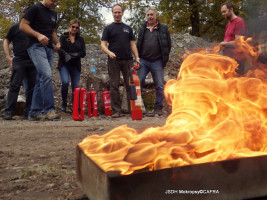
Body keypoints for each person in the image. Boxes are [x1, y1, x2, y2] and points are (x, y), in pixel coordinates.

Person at [19, 0, 61, 121]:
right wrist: (38, 35)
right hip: (35, 46)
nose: (56, 3)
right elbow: (23, 25)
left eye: (57, 1)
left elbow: (52, 31)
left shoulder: (54, 13)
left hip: (49, 49)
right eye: (54, 0)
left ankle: (34, 112)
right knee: (47, 75)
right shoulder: (35, 8)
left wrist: (57, 42)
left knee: (40, 79)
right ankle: (49, 110)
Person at [101, 4, 140, 118]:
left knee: (130, 85)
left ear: (122, 13)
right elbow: (103, 44)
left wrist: (137, 58)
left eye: (119, 12)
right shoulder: (108, 28)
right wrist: (109, 52)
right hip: (114, 61)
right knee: (114, 85)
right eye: (115, 12)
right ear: (112, 13)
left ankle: (132, 109)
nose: (117, 14)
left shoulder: (128, 28)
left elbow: (132, 44)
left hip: (128, 60)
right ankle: (116, 111)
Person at [136, 7, 171, 117]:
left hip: (157, 61)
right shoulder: (142, 28)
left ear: (156, 15)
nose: (150, 16)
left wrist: (163, 58)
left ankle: (158, 108)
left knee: (160, 85)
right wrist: (137, 59)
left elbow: (168, 44)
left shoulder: (163, 28)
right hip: (144, 60)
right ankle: (139, 108)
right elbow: (138, 44)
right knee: (139, 82)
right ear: (146, 16)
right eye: (148, 15)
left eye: (152, 14)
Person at [3, 7, 36, 120]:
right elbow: (6, 40)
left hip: (33, 61)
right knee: (15, 86)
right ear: (23, 14)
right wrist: (8, 57)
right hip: (19, 60)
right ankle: (9, 112)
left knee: (32, 88)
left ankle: (28, 113)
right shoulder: (15, 28)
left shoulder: (35, 29)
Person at [57, 19, 86, 112]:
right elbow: (59, 49)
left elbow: (83, 52)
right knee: (65, 82)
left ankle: (75, 105)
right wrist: (66, 54)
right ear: (70, 26)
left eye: (77, 27)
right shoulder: (63, 37)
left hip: (75, 65)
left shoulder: (80, 39)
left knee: (75, 87)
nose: (74, 29)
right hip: (64, 64)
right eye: (73, 26)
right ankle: (64, 103)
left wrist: (74, 55)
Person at [220, 1, 248, 75]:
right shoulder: (228, 25)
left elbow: (238, 43)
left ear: (231, 9)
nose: (223, 14)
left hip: (237, 62)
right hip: (228, 60)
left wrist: (224, 43)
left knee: (237, 84)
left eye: (224, 11)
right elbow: (228, 41)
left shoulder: (239, 22)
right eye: (222, 12)